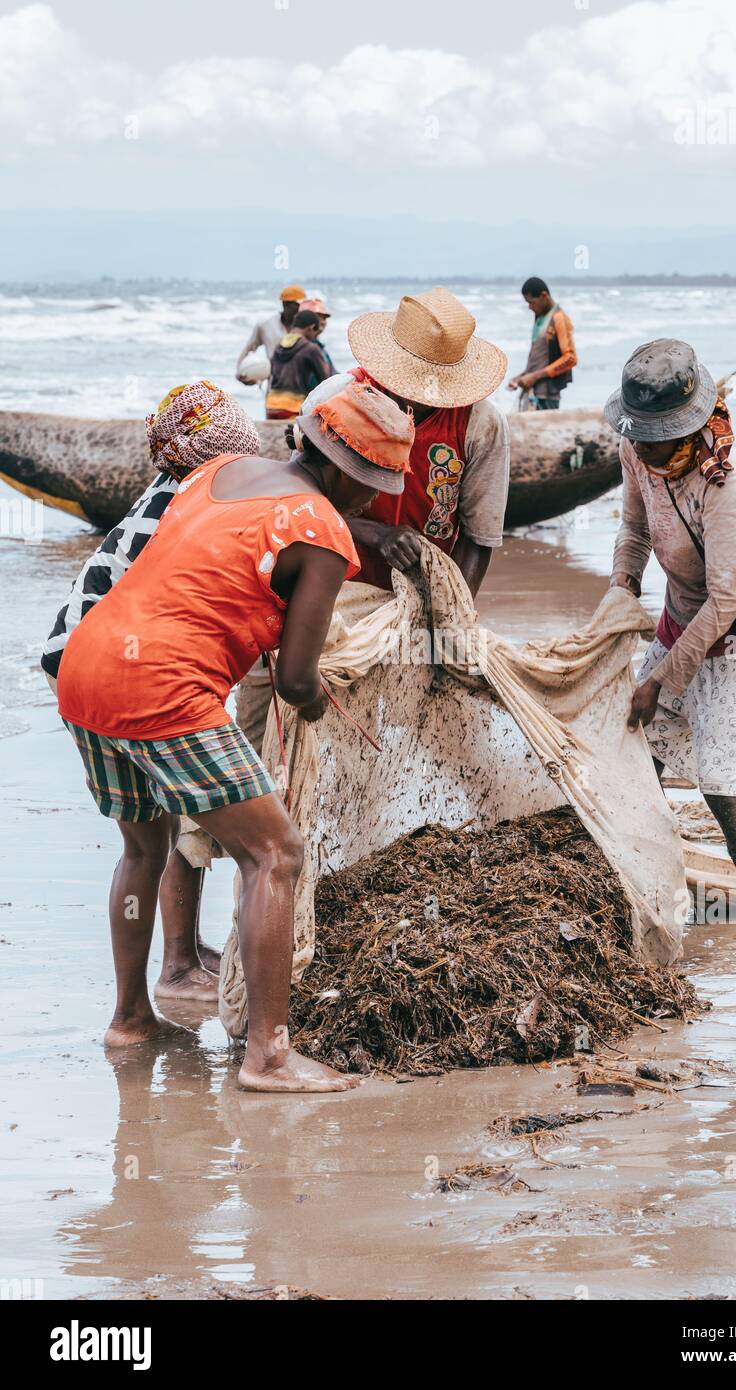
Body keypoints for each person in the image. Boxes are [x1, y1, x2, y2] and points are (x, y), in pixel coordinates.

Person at [56, 381, 413, 1092]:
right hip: (162, 688)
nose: (373, 503)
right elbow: (299, 681)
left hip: (86, 666)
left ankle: (130, 1019)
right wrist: (319, 705)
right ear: (345, 470)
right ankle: (269, 1054)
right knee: (275, 854)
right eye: (373, 487)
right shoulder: (322, 530)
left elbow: (208, 575)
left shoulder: (219, 472)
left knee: (144, 845)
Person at [42, 381, 263, 1001]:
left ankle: (136, 1007)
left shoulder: (159, 493)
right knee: (240, 838)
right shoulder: (197, 507)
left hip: (72, 665)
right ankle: (177, 965)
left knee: (145, 842)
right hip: (125, 673)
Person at [604, 339, 736, 993]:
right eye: (644, 441)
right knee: (640, 768)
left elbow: (727, 600)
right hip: (679, 621)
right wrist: (620, 597)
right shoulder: (636, 451)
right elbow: (633, 532)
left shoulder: (728, 483)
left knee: (721, 786)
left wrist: (661, 682)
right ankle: (645, 903)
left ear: (691, 428)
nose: (650, 455)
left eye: (662, 443)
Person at [304, 286, 510, 595]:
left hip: (423, 591)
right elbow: (302, 506)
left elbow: (479, 537)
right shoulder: (338, 399)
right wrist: (376, 534)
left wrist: (452, 618)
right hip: (337, 585)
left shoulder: (481, 424)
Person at [507, 277, 577, 411]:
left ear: (544, 296)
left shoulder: (559, 318)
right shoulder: (540, 318)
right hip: (533, 392)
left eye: (532, 302)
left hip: (547, 395)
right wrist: (522, 377)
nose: (530, 307)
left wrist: (533, 376)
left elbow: (570, 358)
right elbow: (541, 357)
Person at [265, 310, 334, 421]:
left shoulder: (278, 346)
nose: (314, 337)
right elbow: (326, 381)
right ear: (311, 328)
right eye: (315, 333)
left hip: (272, 406)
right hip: (293, 407)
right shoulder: (311, 348)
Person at [235, 284, 307, 386]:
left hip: (302, 385)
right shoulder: (266, 325)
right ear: (285, 304)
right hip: (275, 386)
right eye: (298, 305)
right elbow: (248, 349)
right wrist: (241, 373)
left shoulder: (306, 327)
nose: (302, 309)